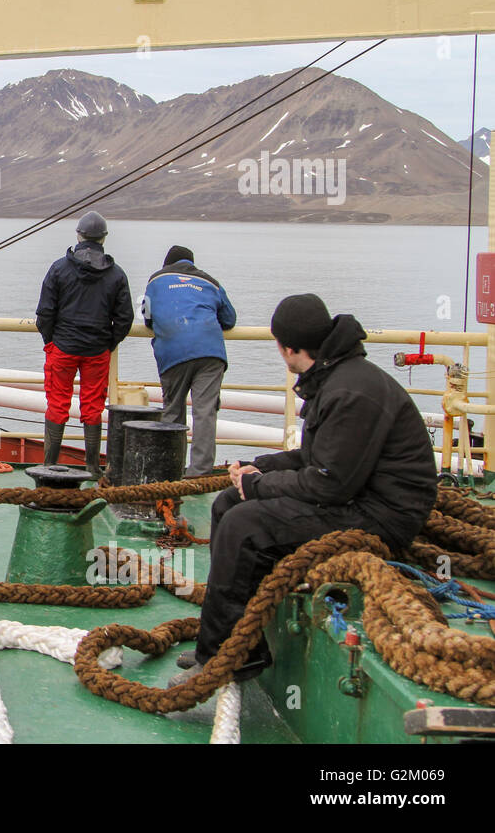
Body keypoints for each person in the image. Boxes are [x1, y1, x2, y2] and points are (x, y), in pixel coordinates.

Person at [170, 294, 437, 685]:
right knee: (227, 505)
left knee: (244, 525)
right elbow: (314, 458)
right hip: (359, 497)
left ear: (288, 348)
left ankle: (229, 658)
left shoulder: (349, 392)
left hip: (383, 516)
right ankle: (231, 639)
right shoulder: (336, 376)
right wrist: (257, 467)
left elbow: (329, 483)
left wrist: (259, 486)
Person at [35, 210, 133, 478]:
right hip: (96, 351)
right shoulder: (116, 275)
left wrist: (52, 342)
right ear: (103, 238)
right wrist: (108, 343)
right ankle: (92, 467)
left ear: (78, 235)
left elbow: (44, 313)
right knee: (92, 406)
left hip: (63, 349)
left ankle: (49, 465)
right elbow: (124, 318)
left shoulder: (59, 268)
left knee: (57, 403)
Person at [142, 245, 237, 477]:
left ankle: (169, 469)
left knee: (173, 411)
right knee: (205, 412)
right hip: (210, 352)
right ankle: (199, 472)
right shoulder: (211, 282)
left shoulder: (156, 280)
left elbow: (146, 318)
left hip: (173, 351)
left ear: (167, 264)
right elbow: (230, 319)